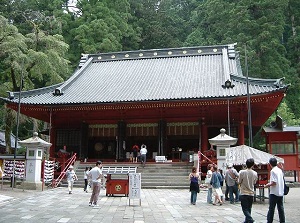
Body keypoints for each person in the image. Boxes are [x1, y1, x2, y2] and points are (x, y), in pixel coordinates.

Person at [264, 157, 285, 223]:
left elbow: (274, 182)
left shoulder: (273, 171)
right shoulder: (280, 170)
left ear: (270, 164)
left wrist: (267, 185)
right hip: (280, 191)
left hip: (274, 192)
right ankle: (282, 221)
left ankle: (269, 221)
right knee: (280, 208)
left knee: (271, 208)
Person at [238, 158, 258, 223]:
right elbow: (254, 182)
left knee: (244, 209)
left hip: (244, 192)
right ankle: (247, 220)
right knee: (249, 208)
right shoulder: (255, 173)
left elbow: (239, 181)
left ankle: (250, 219)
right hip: (251, 193)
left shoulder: (242, 172)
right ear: (253, 165)